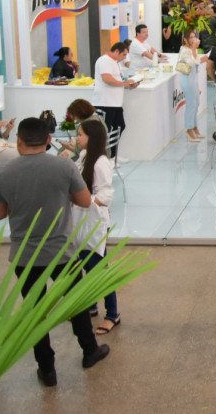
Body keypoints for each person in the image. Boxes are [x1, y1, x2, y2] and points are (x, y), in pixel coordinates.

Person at [0, 117, 109, 386]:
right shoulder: (64, 166)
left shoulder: (3, 174)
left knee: (35, 310)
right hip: (62, 252)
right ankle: (89, 351)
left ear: (18, 141)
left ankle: (47, 368)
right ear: (47, 140)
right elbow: (85, 200)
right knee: (76, 304)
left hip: (25, 256)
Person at [72, 119, 120, 334]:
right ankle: (91, 305)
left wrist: (85, 200)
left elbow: (106, 195)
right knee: (84, 266)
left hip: (94, 224)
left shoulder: (100, 162)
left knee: (99, 270)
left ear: (92, 138)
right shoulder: (84, 157)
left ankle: (112, 314)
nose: (77, 138)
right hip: (81, 223)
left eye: (80, 135)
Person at [92, 41, 138, 157]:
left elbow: (119, 80)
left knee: (119, 126)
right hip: (105, 102)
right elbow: (107, 79)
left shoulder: (116, 62)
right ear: (117, 51)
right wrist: (124, 83)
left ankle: (113, 155)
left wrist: (128, 85)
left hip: (115, 103)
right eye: (124, 55)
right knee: (105, 130)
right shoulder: (104, 61)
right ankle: (104, 156)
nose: (124, 58)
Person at [178, 29, 208, 142]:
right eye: (190, 37)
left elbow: (197, 61)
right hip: (187, 80)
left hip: (193, 80)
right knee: (191, 105)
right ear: (185, 39)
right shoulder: (184, 50)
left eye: (194, 37)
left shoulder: (191, 50)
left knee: (196, 104)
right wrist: (195, 48)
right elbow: (192, 62)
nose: (193, 39)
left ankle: (194, 127)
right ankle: (189, 129)